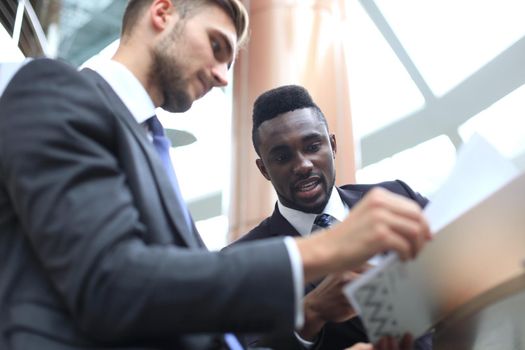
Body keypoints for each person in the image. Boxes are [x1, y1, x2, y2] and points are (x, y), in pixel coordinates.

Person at [0, 1, 430, 349]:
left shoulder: (150, 150)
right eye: (218, 45)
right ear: (162, 12)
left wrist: (313, 318)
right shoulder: (56, 88)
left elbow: (185, 314)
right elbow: (111, 281)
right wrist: (320, 252)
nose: (225, 77)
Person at [231, 85, 433, 350]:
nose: (303, 165)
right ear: (264, 169)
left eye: (313, 146)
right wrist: (311, 311)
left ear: (333, 145)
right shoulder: (246, 261)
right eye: (282, 156)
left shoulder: (398, 196)